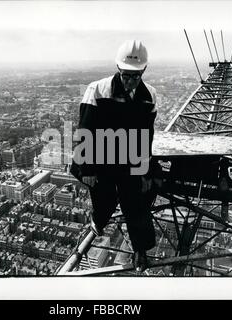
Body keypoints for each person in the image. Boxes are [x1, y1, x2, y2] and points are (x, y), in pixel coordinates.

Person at [70, 40, 157, 272]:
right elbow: (85, 130)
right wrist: (87, 169)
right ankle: (98, 218)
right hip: (102, 157)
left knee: (137, 202)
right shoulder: (98, 90)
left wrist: (146, 172)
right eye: (126, 75)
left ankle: (140, 250)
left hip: (129, 158)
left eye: (135, 76)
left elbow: (146, 138)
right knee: (104, 199)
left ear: (143, 72)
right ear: (118, 70)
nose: (130, 81)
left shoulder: (149, 96)